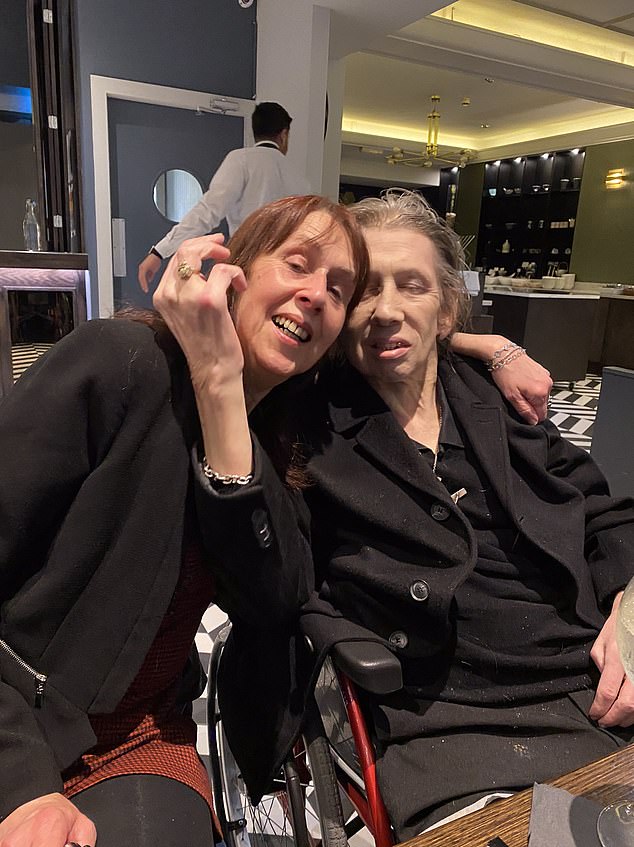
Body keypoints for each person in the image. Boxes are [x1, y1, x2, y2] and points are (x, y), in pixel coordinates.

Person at [0, 194, 368, 847]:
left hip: (139, 735)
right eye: (298, 264)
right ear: (234, 268)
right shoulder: (120, 362)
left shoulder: (280, 442)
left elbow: (274, 598)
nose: (316, 295)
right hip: (18, 716)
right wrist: (23, 787)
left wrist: (222, 384)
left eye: (338, 290)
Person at [296, 189, 634, 840]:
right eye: (365, 288)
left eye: (413, 286)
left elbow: (604, 507)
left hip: (597, 677)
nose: (387, 309)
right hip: (459, 716)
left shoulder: (492, 400)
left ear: (447, 306)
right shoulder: (311, 428)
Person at [137, 101, 309, 293]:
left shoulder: (241, 160)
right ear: (284, 134)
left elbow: (207, 212)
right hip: (285, 276)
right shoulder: (301, 180)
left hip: (244, 269)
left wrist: (160, 251)